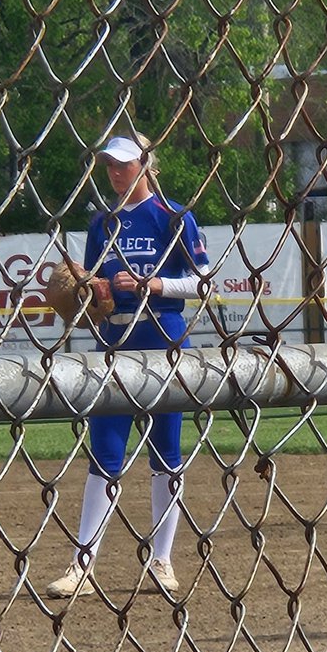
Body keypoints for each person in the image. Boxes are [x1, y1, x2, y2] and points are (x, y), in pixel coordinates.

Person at [47, 134, 209, 599]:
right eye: (109, 166)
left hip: (162, 336)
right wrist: (92, 287)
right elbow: (97, 283)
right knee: (105, 450)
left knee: (166, 451)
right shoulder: (103, 221)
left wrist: (153, 283)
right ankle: (83, 563)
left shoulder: (172, 216)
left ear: (145, 164)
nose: (116, 173)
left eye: (124, 164)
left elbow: (201, 283)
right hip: (114, 340)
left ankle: (161, 560)